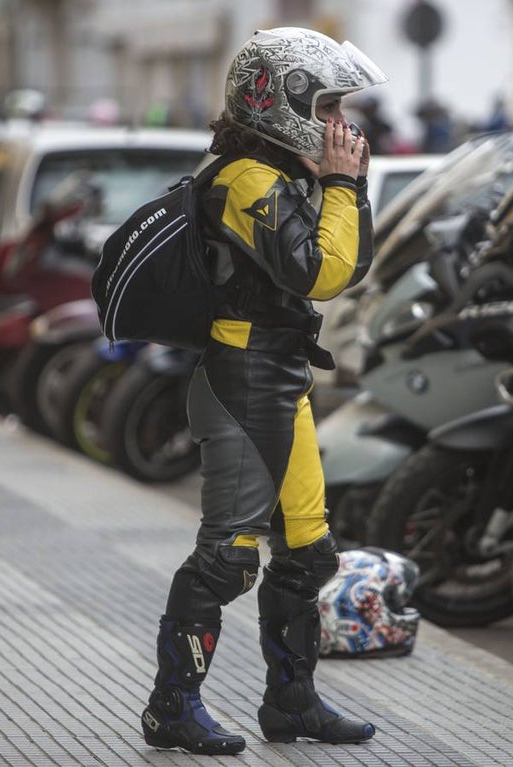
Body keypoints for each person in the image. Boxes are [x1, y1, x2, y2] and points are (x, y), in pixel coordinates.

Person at [139, 26, 387, 756]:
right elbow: (319, 273)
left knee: (309, 553)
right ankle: (171, 707)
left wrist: (344, 186)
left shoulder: (280, 172)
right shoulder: (245, 178)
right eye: (328, 106)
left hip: (279, 375)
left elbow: (348, 263)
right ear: (282, 100)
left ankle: (292, 703)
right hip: (242, 380)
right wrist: (342, 185)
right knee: (228, 557)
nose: (340, 124)